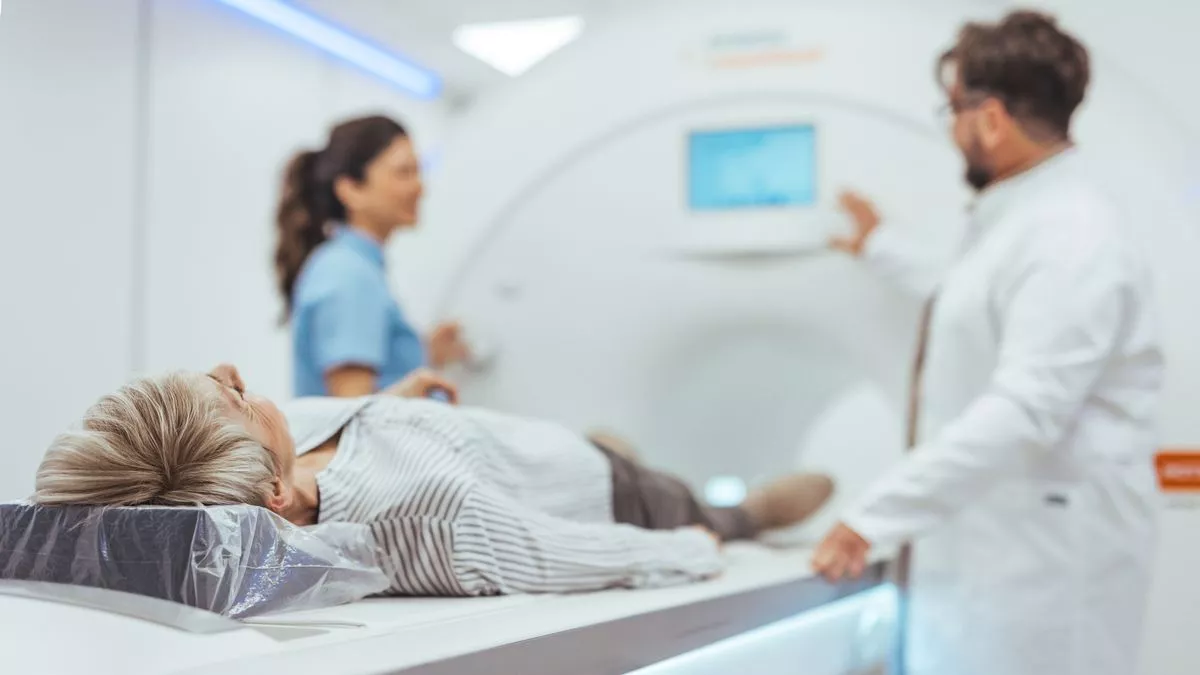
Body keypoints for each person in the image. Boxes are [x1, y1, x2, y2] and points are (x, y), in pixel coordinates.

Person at [812, 11, 1163, 675]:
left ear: (990, 118)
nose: (952, 129)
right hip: (1001, 555)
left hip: (1046, 568)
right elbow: (970, 295)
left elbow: (1027, 408)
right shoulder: (1029, 221)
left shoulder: (1071, 234)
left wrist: (870, 517)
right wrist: (879, 248)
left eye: (953, 109)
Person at [33, 365, 835, 596]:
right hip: (601, 492)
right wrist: (685, 552)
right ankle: (748, 511)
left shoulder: (274, 450)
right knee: (696, 505)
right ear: (272, 495)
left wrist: (389, 405)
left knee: (594, 442)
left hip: (521, 447)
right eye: (232, 397)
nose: (230, 369)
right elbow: (553, 551)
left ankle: (607, 443)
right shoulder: (425, 514)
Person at [275, 114, 470, 398]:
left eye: (419, 171)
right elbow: (353, 415)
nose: (420, 187)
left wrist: (422, 353)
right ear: (351, 190)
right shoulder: (348, 273)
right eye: (404, 172)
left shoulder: (353, 267)